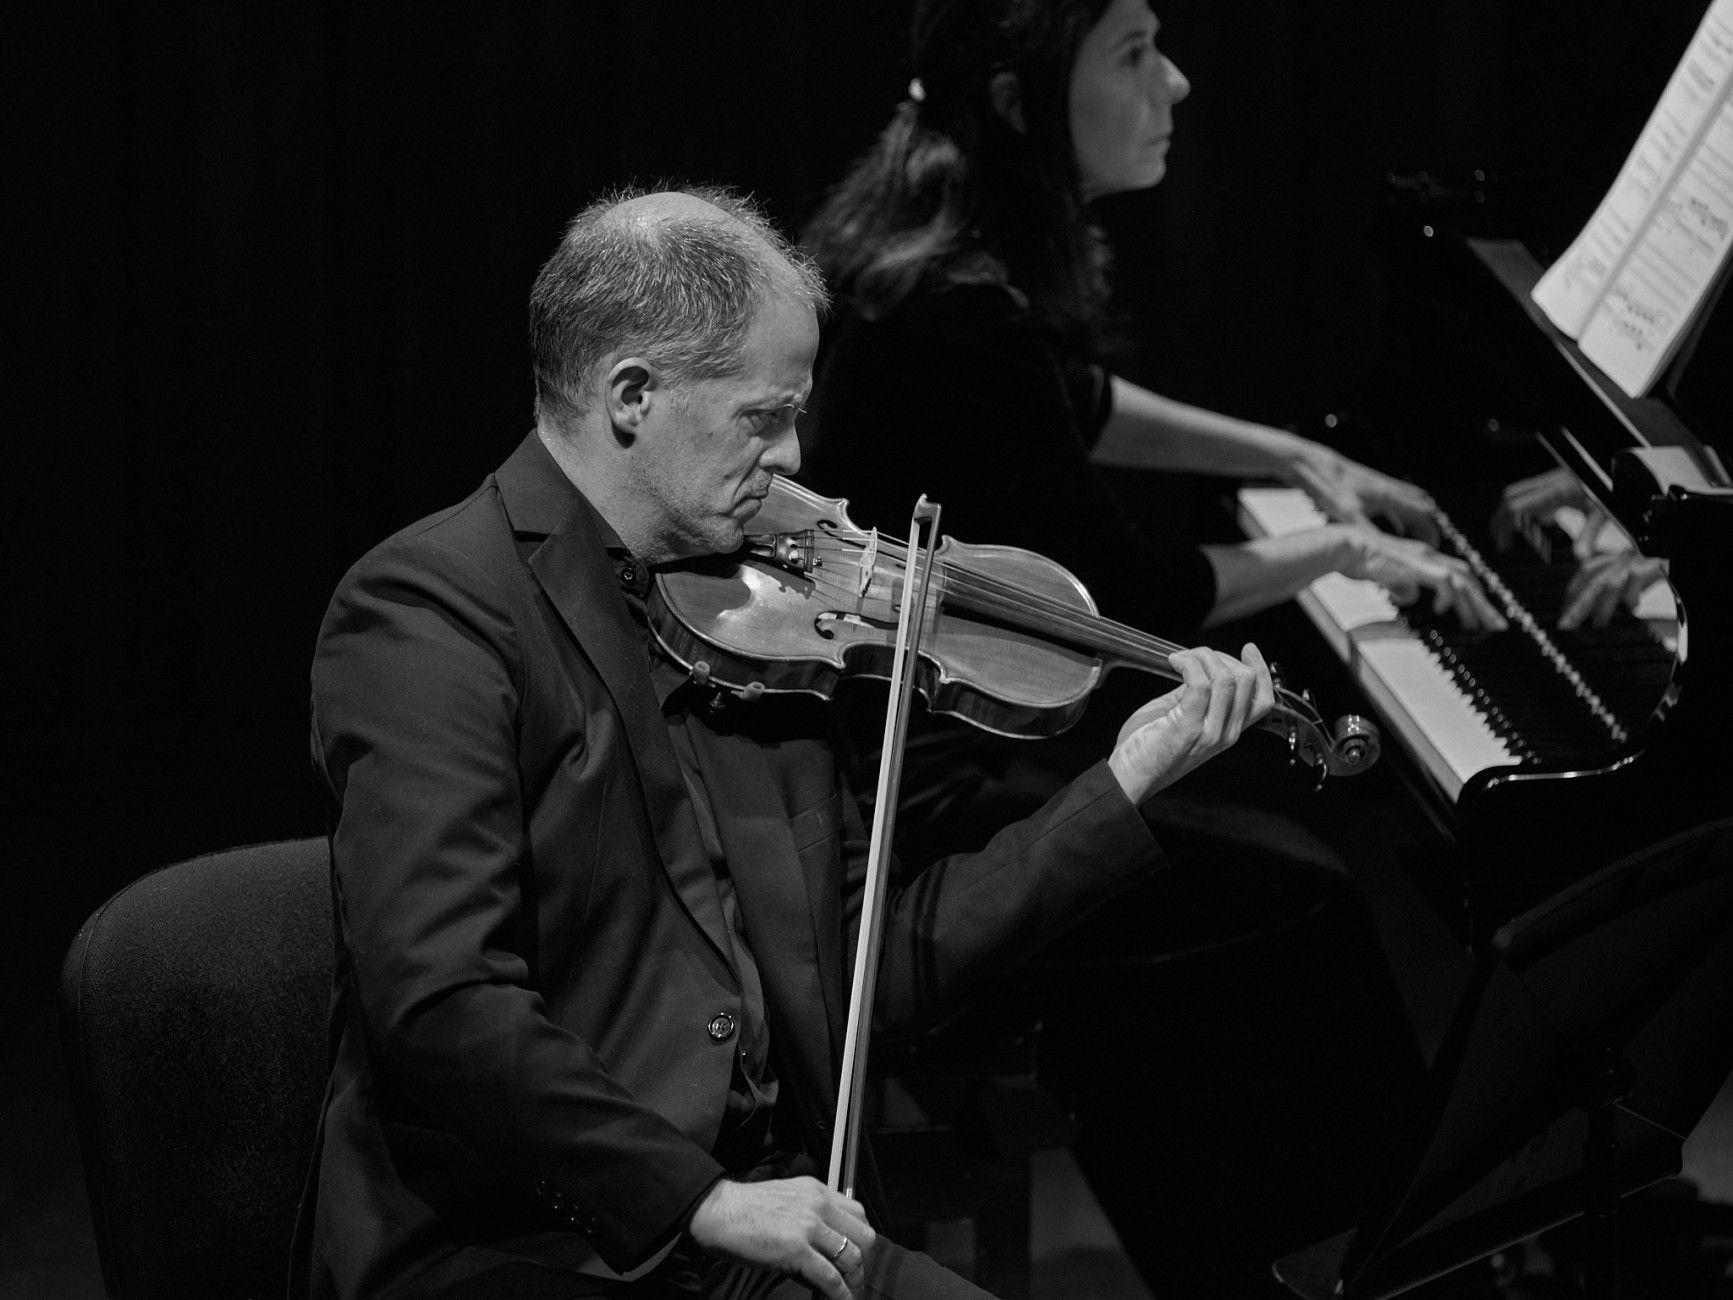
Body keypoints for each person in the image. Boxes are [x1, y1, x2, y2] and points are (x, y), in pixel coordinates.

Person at [293, 184, 1277, 1300]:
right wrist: (699, 1198)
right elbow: (442, 998)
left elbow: (868, 975)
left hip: (767, 1221)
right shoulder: (431, 611)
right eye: (763, 417)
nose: (794, 456)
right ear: (631, 395)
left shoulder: (762, 621)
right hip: (532, 1240)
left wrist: (1123, 782)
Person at [797, 3, 1453, 1295]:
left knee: (1234, 902)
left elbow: (1070, 405)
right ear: (1016, 97)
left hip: (924, 754)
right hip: (900, 812)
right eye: (1135, 50)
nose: (1178, 82)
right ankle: (1384, 1249)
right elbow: (1136, 595)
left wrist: (1295, 458)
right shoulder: (950, 299)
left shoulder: (947, 245)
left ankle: (1266, 1251)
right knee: (1301, 899)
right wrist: (1337, 550)